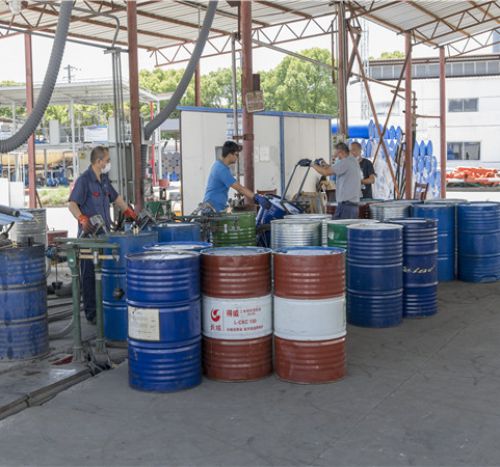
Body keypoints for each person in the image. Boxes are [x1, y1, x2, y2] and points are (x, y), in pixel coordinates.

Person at [68, 146, 137, 324]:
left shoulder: (104, 180)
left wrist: (130, 212)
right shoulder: (84, 180)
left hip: (104, 236)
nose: (108, 163)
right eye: (107, 160)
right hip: (89, 238)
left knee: (103, 275)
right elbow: (72, 204)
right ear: (98, 162)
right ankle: (92, 314)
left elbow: (116, 198)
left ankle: (103, 309)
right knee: (89, 276)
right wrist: (82, 218)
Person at [202, 140, 270, 212]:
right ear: (229, 154)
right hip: (211, 209)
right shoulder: (221, 169)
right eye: (236, 155)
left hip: (216, 207)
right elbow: (240, 188)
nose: (237, 158)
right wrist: (256, 197)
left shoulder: (220, 166)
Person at [310, 142, 361, 219]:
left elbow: (326, 172)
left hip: (346, 206)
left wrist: (311, 164)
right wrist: (323, 164)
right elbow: (333, 168)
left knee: (341, 226)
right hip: (350, 205)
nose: (336, 158)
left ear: (341, 152)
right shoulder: (353, 161)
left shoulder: (345, 162)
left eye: (337, 155)